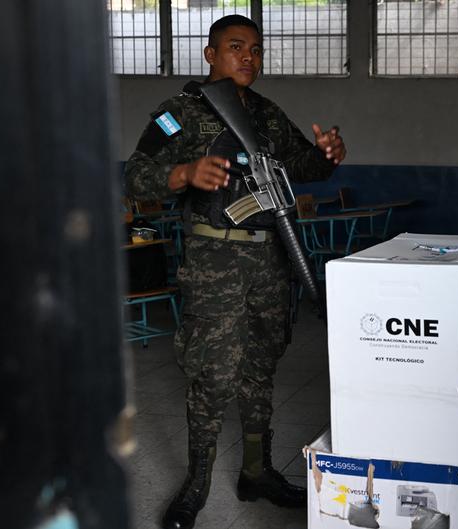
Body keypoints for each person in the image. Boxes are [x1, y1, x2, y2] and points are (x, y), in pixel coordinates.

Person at [124, 15, 345, 529]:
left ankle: (256, 471)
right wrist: (183, 173)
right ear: (210, 54)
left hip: (269, 261)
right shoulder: (179, 113)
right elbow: (135, 174)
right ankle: (196, 482)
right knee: (212, 373)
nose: (249, 57)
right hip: (214, 265)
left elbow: (302, 166)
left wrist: (327, 156)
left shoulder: (267, 114)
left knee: (260, 368)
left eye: (256, 49)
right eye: (236, 47)